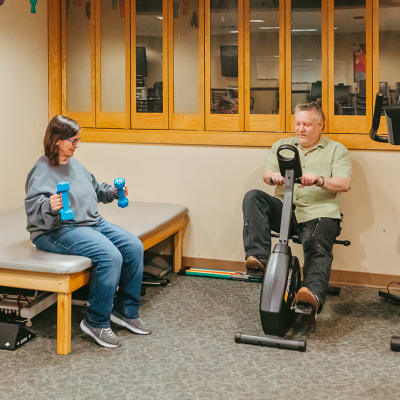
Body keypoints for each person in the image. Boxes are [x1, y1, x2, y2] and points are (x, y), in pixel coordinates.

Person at [25, 115, 151, 348]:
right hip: (57, 230)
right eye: (73, 140)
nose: (76, 145)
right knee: (110, 256)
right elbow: (33, 209)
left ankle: (126, 311)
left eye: (77, 140)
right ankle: (96, 321)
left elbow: (95, 189)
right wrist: (48, 206)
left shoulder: (75, 165)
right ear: (56, 141)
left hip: (92, 223)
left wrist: (112, 192)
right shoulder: (41, 170)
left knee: (133, 246)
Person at [242, 101, 351, 317]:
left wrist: (320, 180)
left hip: (319, 212)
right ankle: (258, 258)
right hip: (285, 210)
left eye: (307, 125)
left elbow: (343, 184)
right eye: (298, 123)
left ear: (321, 125)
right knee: (253, 197)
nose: (301, 129)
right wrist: (273, 177)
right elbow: (267, 174)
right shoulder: (282, 146)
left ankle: (310, 293)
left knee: (316, 244)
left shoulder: (336, 150)